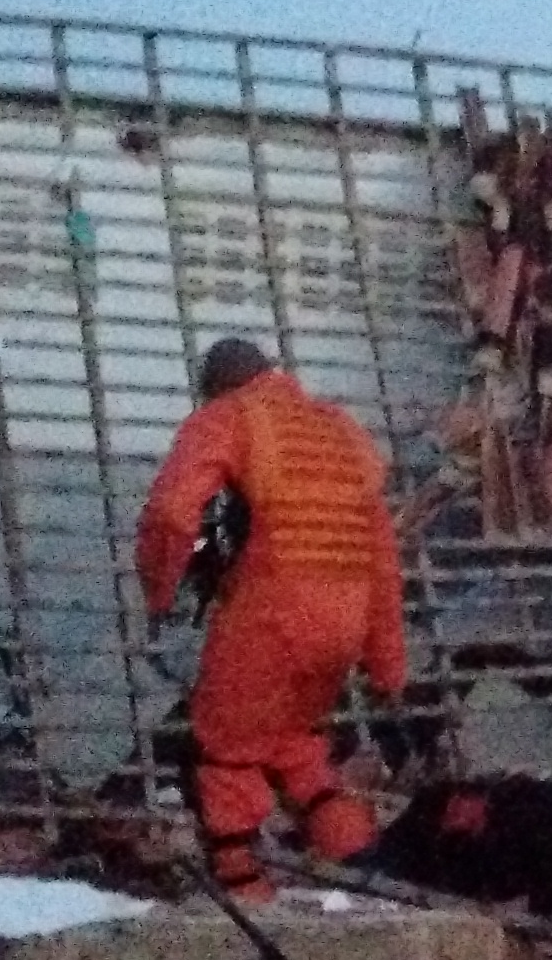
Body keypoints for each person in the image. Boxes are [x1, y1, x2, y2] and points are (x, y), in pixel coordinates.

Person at [135, 339, 407, 899]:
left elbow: (171, 513)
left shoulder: (229, 415)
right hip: (344, 623)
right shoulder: (340, 429)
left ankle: (249, 899)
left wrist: (159, 591)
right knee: (295, 745)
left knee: (224, 753)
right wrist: (387, 665)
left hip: (271, 617)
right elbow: (382, 556)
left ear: (214, 388)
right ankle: (368, 872)